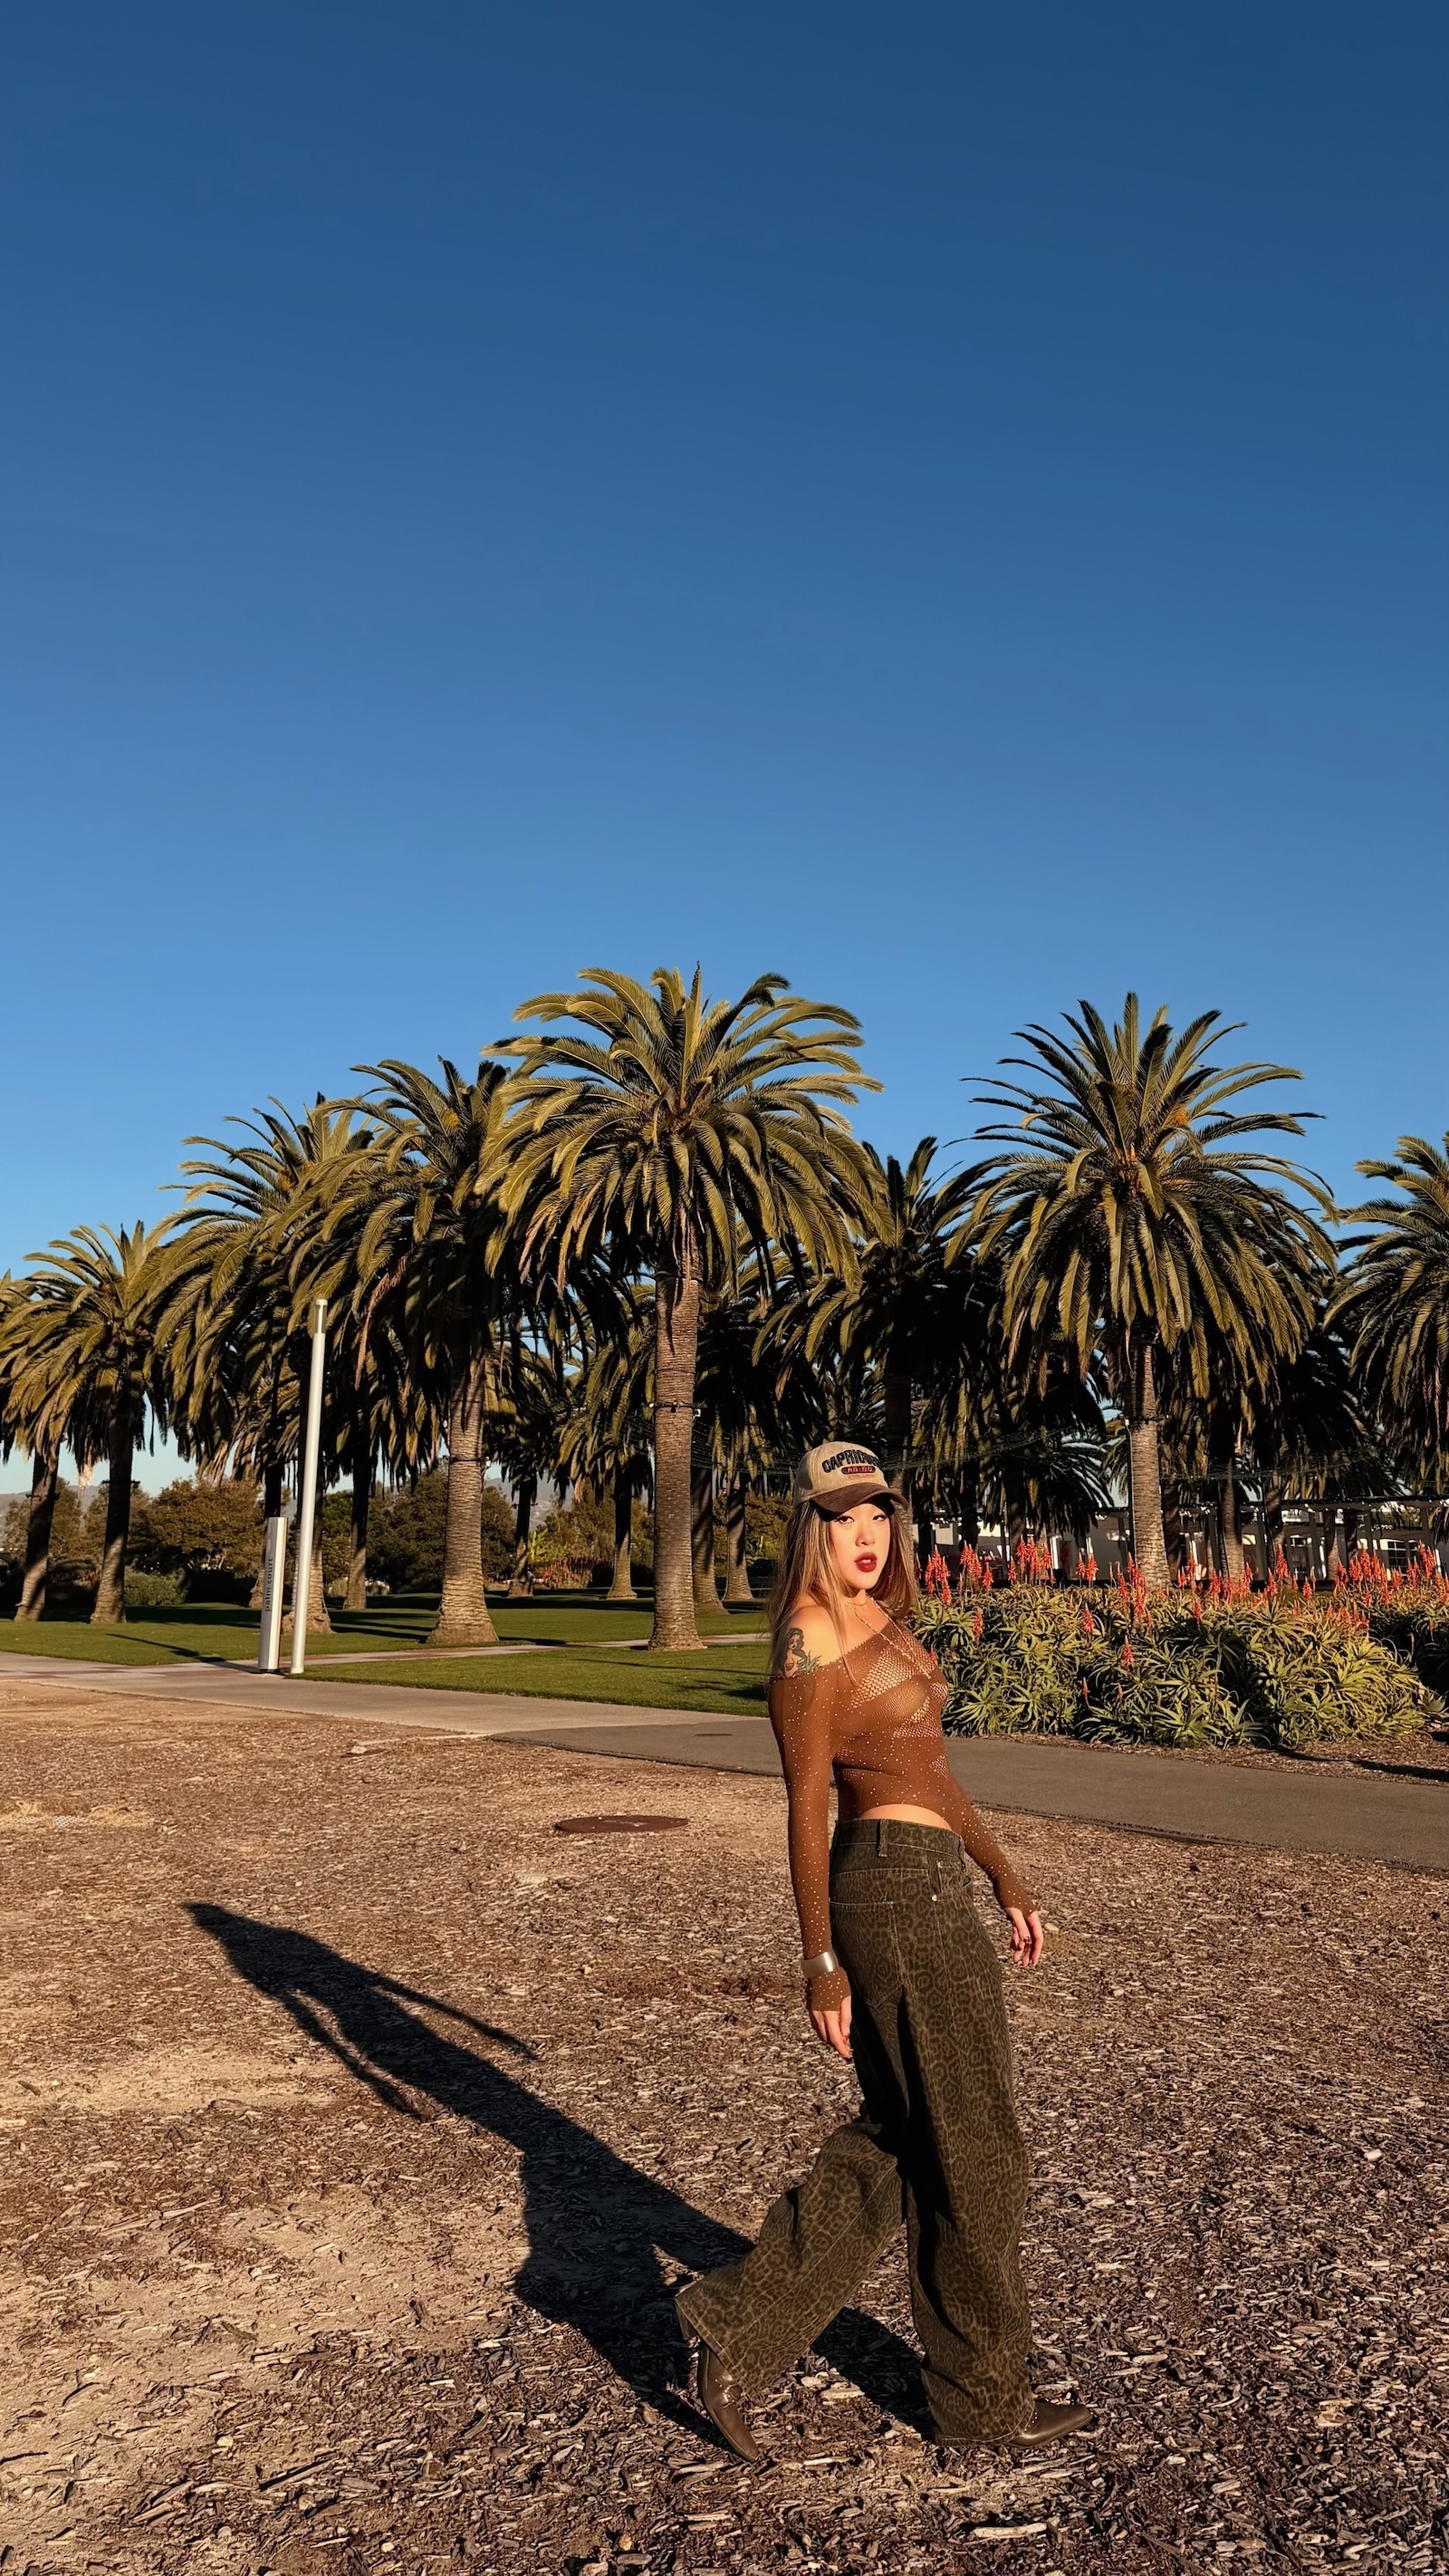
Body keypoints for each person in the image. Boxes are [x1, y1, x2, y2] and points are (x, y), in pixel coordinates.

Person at [675, 1440, 1095, 2461]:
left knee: (903, 2137)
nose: (865, 1533)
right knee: (980, 2146)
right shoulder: (808, 1640)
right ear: (810, 1527)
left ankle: (735, 2328)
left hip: (935, 1877)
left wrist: (1002, 1872)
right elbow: (805, 1804)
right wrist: (817, 1961)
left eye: (877, 1514)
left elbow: (933, 1775)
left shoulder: (882, 1620)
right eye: (843, 1516)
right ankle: (984, 2399)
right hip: (891, 1894)